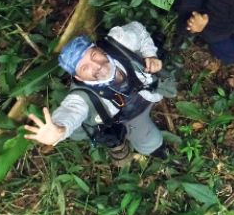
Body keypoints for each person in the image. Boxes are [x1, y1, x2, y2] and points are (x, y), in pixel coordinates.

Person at [24, 22, 167, 161]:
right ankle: (158, 152)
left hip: (152, 84)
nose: (97, 65)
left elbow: (138, 29)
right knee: (150, 141)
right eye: (85, 68)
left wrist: (151, 54)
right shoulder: (81, 97)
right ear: (78, 77)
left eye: (93, 56)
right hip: (131, 115)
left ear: (100, 49)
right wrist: (60, 130)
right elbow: (71, 111)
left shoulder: (120, 42)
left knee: (169, 78)